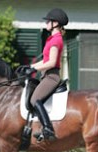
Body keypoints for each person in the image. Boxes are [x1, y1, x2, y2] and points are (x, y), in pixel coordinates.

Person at [20, 8, 69, 142]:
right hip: (46, 76)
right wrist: (30, 67)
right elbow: (45, 60)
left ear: (55, 23)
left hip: (51, 77)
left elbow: (52, 63)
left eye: (48, 21)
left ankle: (48, 129)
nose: (46, 23)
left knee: (34, 99)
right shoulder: (52, 39)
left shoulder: (56, 40)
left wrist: (33, 69)